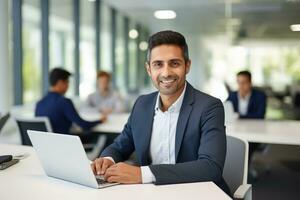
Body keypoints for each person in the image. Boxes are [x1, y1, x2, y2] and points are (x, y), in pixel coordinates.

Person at [91, 30, 230, 195]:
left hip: (196, 193)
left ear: (187, 66)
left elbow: (210, 168)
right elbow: (121, 145)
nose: (166, 73)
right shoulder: (142, 104)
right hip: (152, 194)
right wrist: (107, 160)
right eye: (158, 64)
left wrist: (142, 174)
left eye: (174, 63)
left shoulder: (209, 107)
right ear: (149, 69)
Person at [35, 68, 107, 134]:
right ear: (60, 83)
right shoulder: (64, 102)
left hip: (46, 146)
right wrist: (100, 120)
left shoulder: (39, 104)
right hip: (66, 144)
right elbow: (83, 125)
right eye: (67, 82)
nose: (68, 86)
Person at [227, 70, 267, 178]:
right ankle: (233, 170)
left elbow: (260, 115)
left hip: (255, 131)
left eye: (243, 82)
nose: (241, 86)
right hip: (236, 129)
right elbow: (227, 111)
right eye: (238, 82)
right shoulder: (233, 95)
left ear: (250, 83)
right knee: (229, 142)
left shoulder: (260, 96)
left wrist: (239, 116)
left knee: (247, 144)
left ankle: (243, 172)